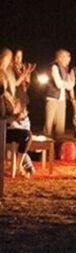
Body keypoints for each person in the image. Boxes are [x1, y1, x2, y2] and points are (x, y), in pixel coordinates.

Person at [0, 48, 32, 176]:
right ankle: (23, 165)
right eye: (8, 58)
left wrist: (16, 113)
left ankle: (19, 165)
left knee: (26, 134)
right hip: (3, 126)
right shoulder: (3, 75)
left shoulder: (6, 74)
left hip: (6, 123)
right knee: (25, 133)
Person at [44, 49, 75, 139]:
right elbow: (58, 84)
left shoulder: (65, 70)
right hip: (52, 99)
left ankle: (58, 147)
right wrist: (67, 84)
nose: (68, 62)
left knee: (60, 127)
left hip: (62, 100)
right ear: (61, 58)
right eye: (67, 60)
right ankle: (46, 148)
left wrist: (67, 84)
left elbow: (71, 84)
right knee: (48, 125)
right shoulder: (54, 67)